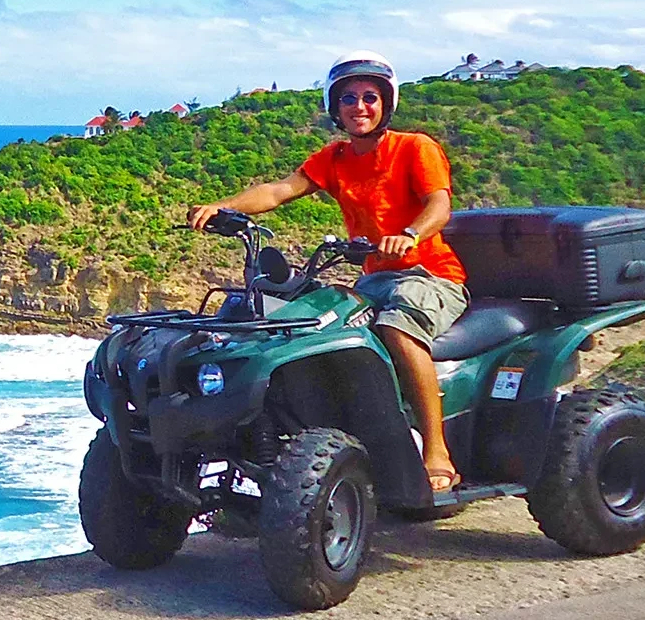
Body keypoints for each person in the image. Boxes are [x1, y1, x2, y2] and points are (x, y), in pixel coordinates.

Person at [186, 51, 468, 495]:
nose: (360, 106)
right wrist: (223, 208)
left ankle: (436, 450)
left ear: (386, 104)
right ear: (335, 108)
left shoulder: (415, 147)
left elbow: (439, 204)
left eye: (370, 97)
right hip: (374, 281)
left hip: (429, 275)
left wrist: (409, 234)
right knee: (317, 329)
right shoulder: (335, 158)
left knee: (397, 329)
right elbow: (279, 191)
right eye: (349, 99)